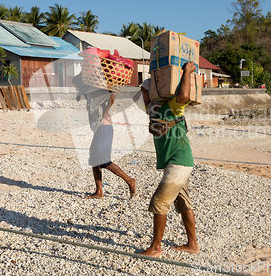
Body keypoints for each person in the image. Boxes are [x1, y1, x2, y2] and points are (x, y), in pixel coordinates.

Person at [139, 62, 199, 257]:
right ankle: (192, 245)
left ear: (154, 93)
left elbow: (184, 97)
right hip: (177, 162)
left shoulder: (171, 108)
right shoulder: (153, 111)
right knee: (183, 203)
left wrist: (187, 72)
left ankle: (156, 247)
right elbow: (146, 102)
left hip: (179, 162)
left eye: (145, 91)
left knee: (159, 202)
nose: (142, 95)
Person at [72, 74, 136, 199]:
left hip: (104, 128)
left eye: (76, 86)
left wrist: (106, 111)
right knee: (94, 160)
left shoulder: (96, 90)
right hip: (98, 130)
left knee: (104, 161)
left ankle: (130, 180)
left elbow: (114, 93)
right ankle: (99, 192)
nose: (75, 89)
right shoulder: (88, 93)